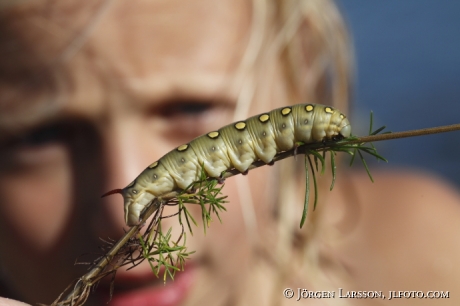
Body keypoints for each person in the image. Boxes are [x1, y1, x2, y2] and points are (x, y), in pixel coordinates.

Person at [1, 0, 459, 305]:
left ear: (297, 74)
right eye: (40, 135)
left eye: (191, 108)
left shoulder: (425, 256)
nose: (124, 223)